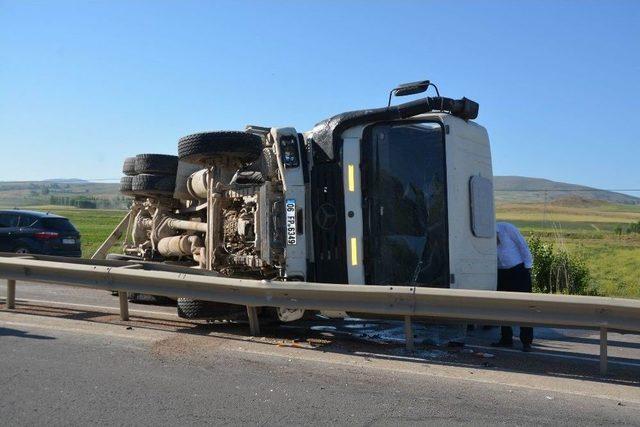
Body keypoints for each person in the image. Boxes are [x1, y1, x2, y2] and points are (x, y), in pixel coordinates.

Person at [492, 222, 534, 352]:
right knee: (502, 307)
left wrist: (528, 267)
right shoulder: (482, 236)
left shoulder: (507, 228)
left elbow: (523, 245)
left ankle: (526, 342)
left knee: (524, 307)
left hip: (518, 270)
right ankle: (506, 339)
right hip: (500, 273)